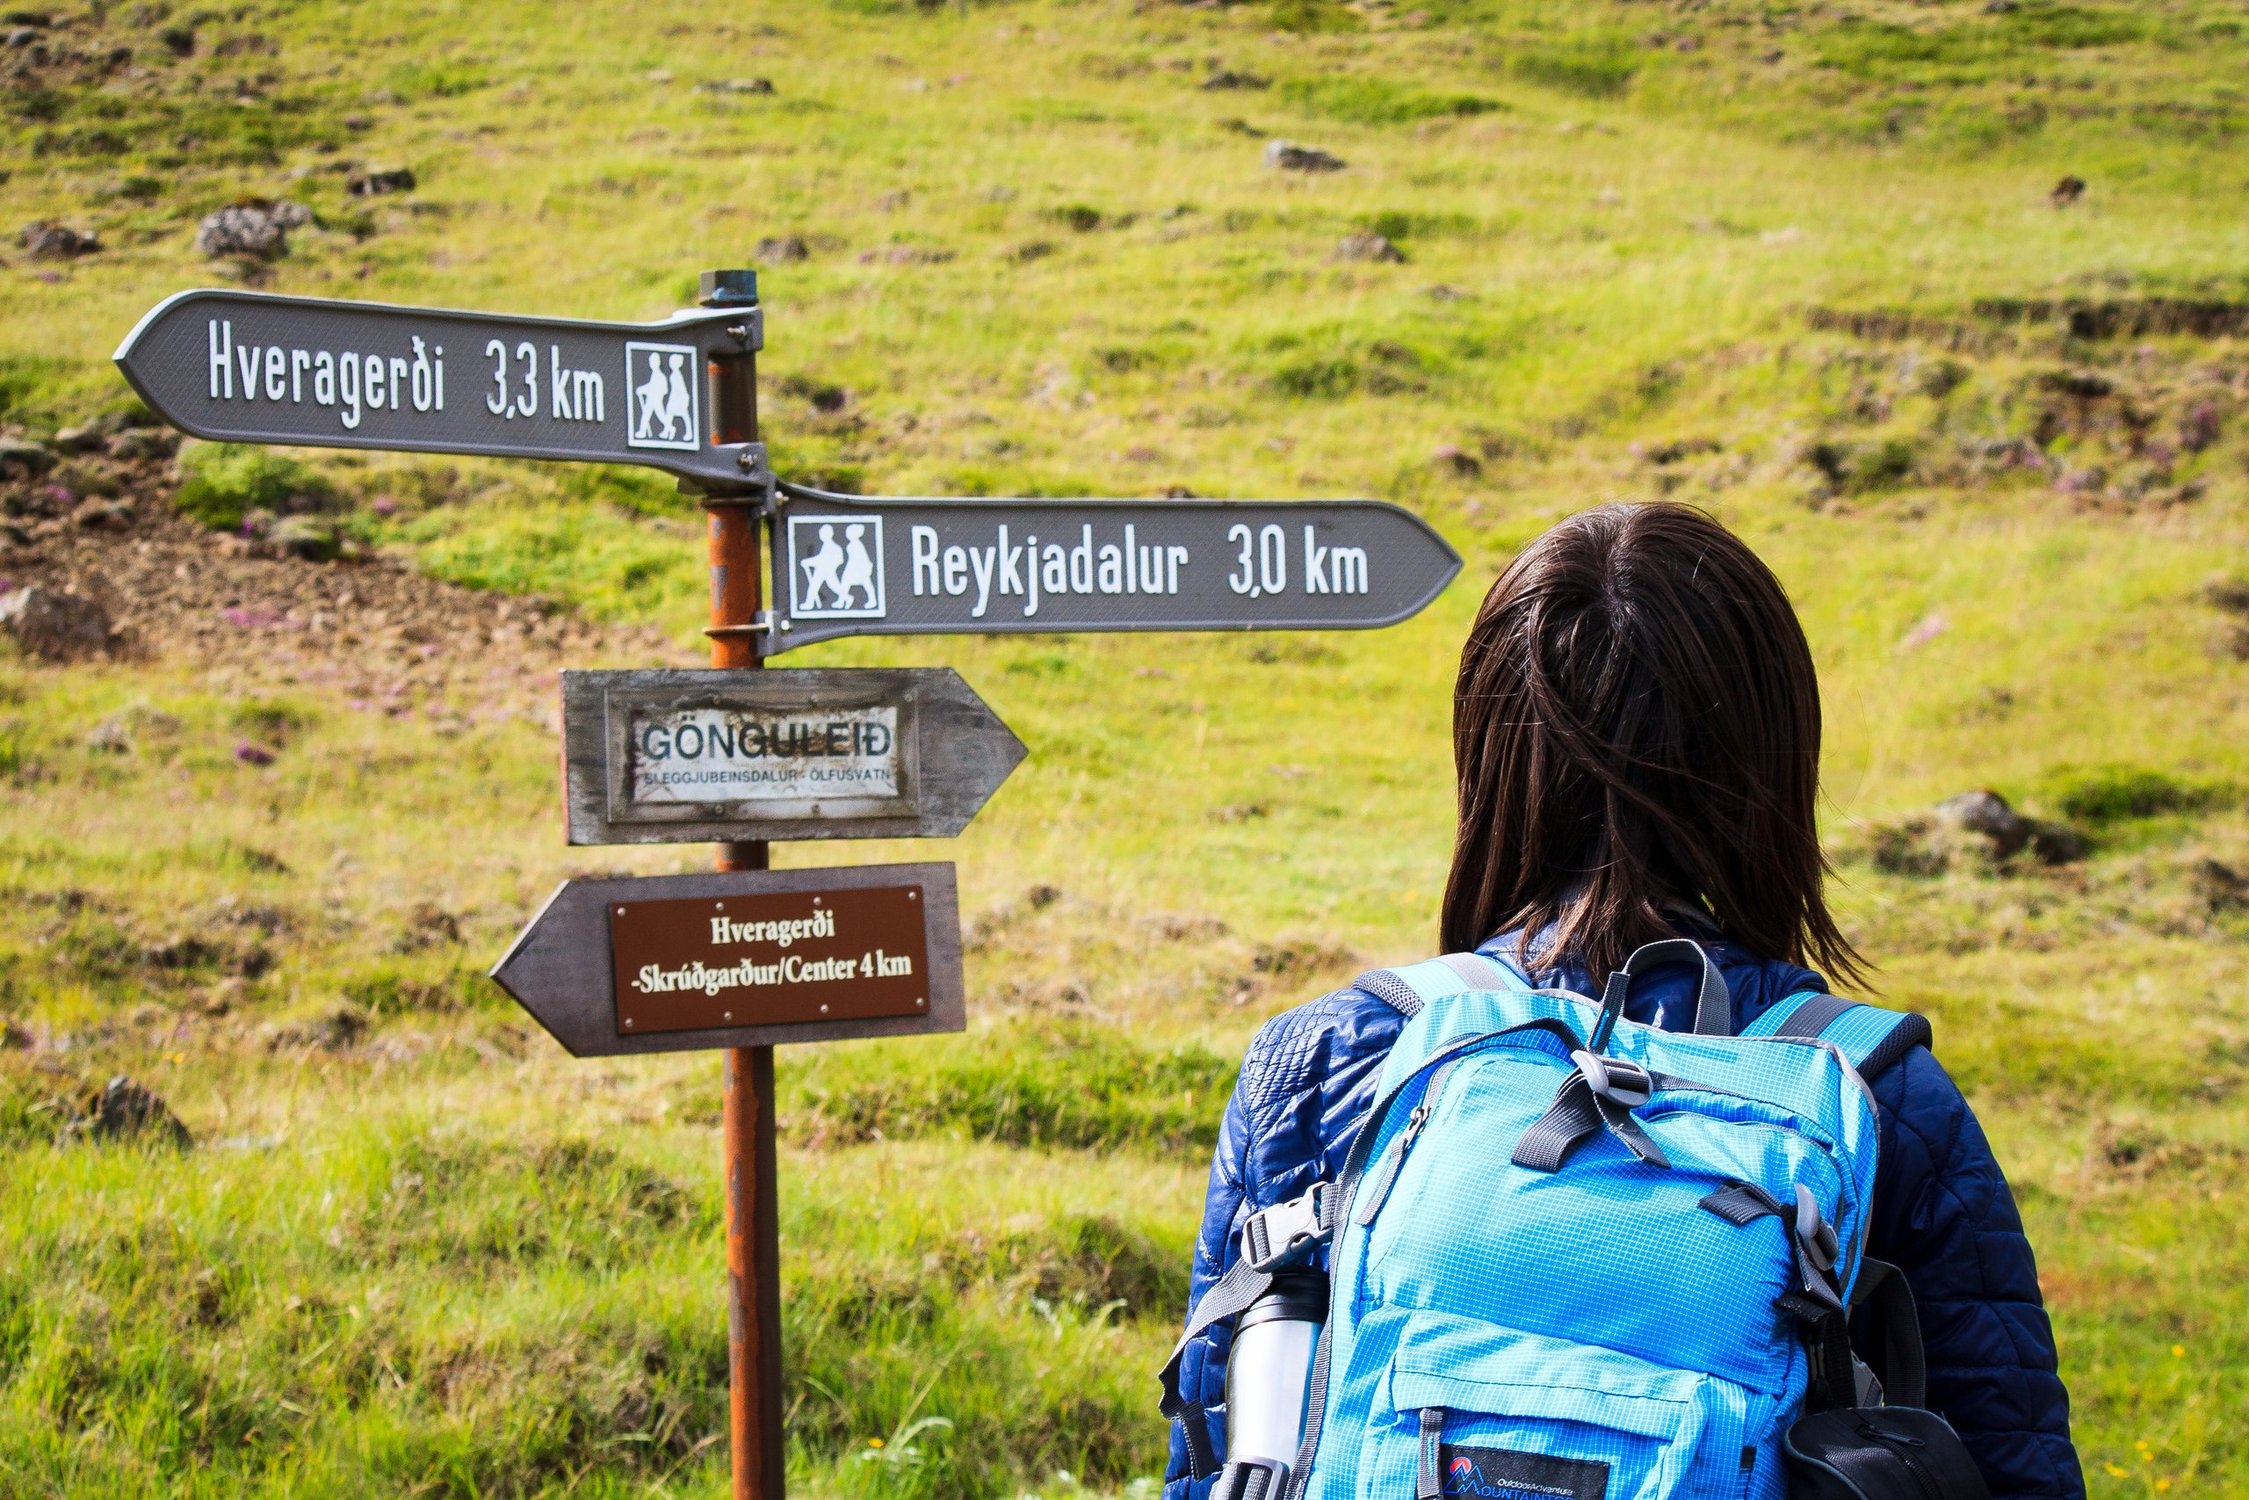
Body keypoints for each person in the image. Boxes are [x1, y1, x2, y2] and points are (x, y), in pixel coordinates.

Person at [1164, 503, 2083, 1499]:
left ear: (1487, 755)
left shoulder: (1335, 1059)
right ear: (1770, 766)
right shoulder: (1875, 1099)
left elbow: (1213, 1460)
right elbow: (2014, 1469)